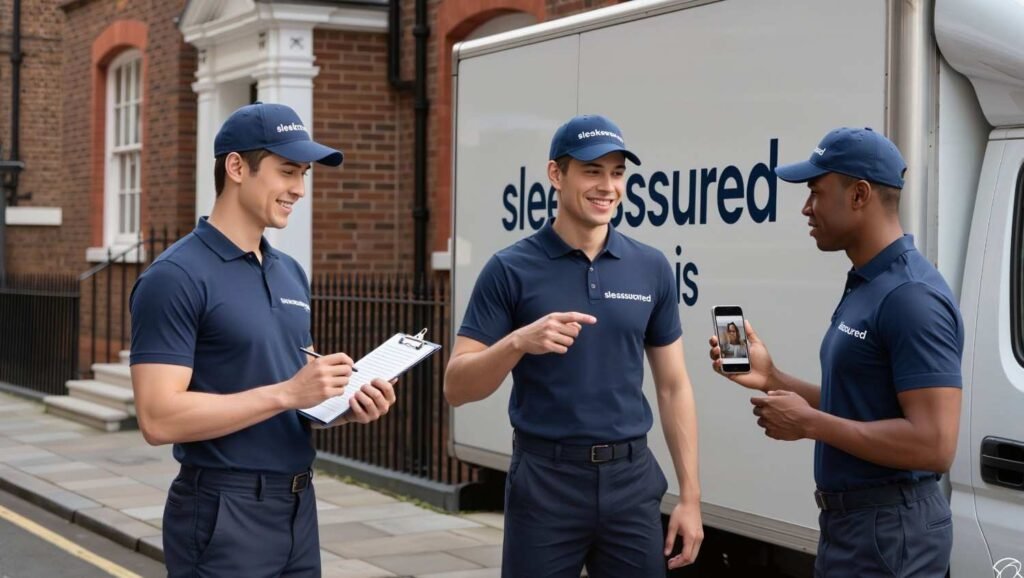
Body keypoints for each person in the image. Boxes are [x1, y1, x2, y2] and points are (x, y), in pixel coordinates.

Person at [129, 102, 397, 577]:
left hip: (297, 506)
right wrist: (288, 392)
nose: (299, 188)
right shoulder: (175, 277)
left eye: (305, 174)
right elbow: (157, 418)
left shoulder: (290, 272)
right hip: (222, 510)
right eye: (287, 171)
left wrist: (341, 400)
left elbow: (289, 398)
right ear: (236, 167)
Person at [445, 114, 703, 577]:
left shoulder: (651, 267)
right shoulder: (510, 269)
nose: (608, 186)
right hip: (546, 481)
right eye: (592, 170)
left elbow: (673, 386)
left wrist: (690, 496)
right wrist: (520, 341)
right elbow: (457, 387)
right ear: (555, 175)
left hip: (631, 480)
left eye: (617, 172)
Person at [709, 127, 963, 577]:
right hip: (854, 528)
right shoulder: (868, 283)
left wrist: (810, 425)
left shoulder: (911, 297)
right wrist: (774, 378)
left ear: (860, 195)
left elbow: (934, 445)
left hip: (890, 534)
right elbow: (863, 407)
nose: (806, 209)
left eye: (816, 193)